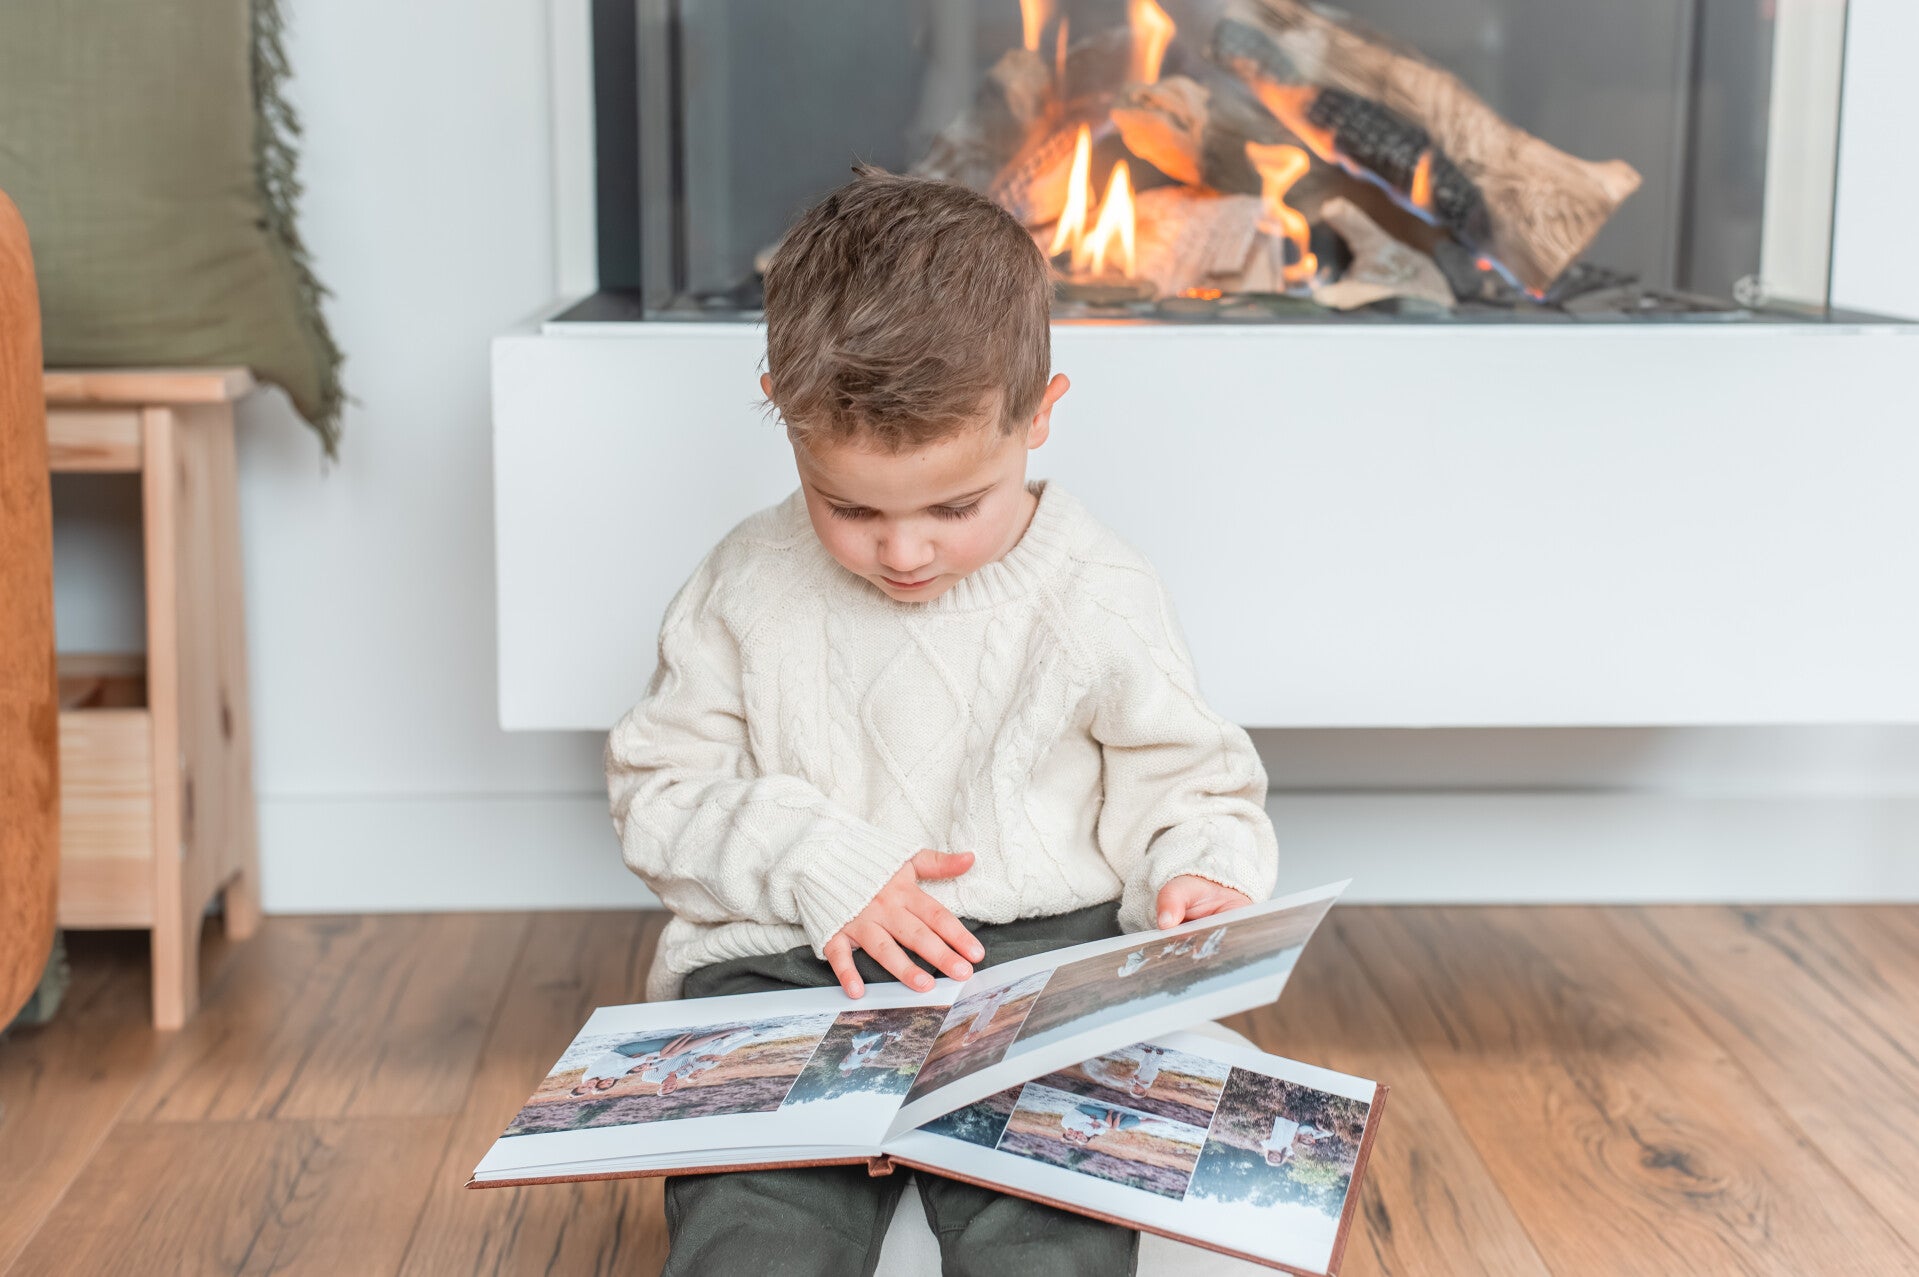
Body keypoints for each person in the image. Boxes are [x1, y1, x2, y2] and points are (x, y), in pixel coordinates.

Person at [606, 166, 1279, 1277]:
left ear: (1039, 416)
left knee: (1052, 1226)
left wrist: (1195, 870)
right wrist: (821, 858)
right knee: (753, 1224)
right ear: (781, 407)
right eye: (851, 506)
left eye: (954, 506)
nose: (903, 551)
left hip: (1035, 961)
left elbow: (1189, 781)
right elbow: (659, 793)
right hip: (791, 960)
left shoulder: (1097, 590)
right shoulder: (742, 583)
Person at [1058, 1101, 1142, 1146]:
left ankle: (1113, 1114)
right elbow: (1086, 1123)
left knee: (1113, 1126)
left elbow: (1079, 1117)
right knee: (1118, 1127)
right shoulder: (1079, 1130)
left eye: (1069, 1134)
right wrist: (1091, 1122)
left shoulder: (1065, 1123)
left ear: (1065, 1132)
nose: (1073, 1133)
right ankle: (1127, 1117)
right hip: (1092, 1118)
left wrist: (1092, 1121)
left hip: (1082, 1110)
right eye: (1074, 1136)